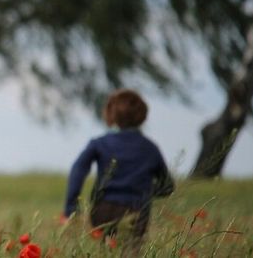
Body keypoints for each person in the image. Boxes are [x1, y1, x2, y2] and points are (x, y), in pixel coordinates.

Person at [62, 89, 174, 253]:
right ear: (142, 116)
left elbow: (78, 170)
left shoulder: (99, 143)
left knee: (106, 251)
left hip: (103, 209)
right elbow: (167, 186)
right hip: (137, 211)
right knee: (131, 252)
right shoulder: (150, 148)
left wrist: (71, 208)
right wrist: (145, 191)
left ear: (111, 114)